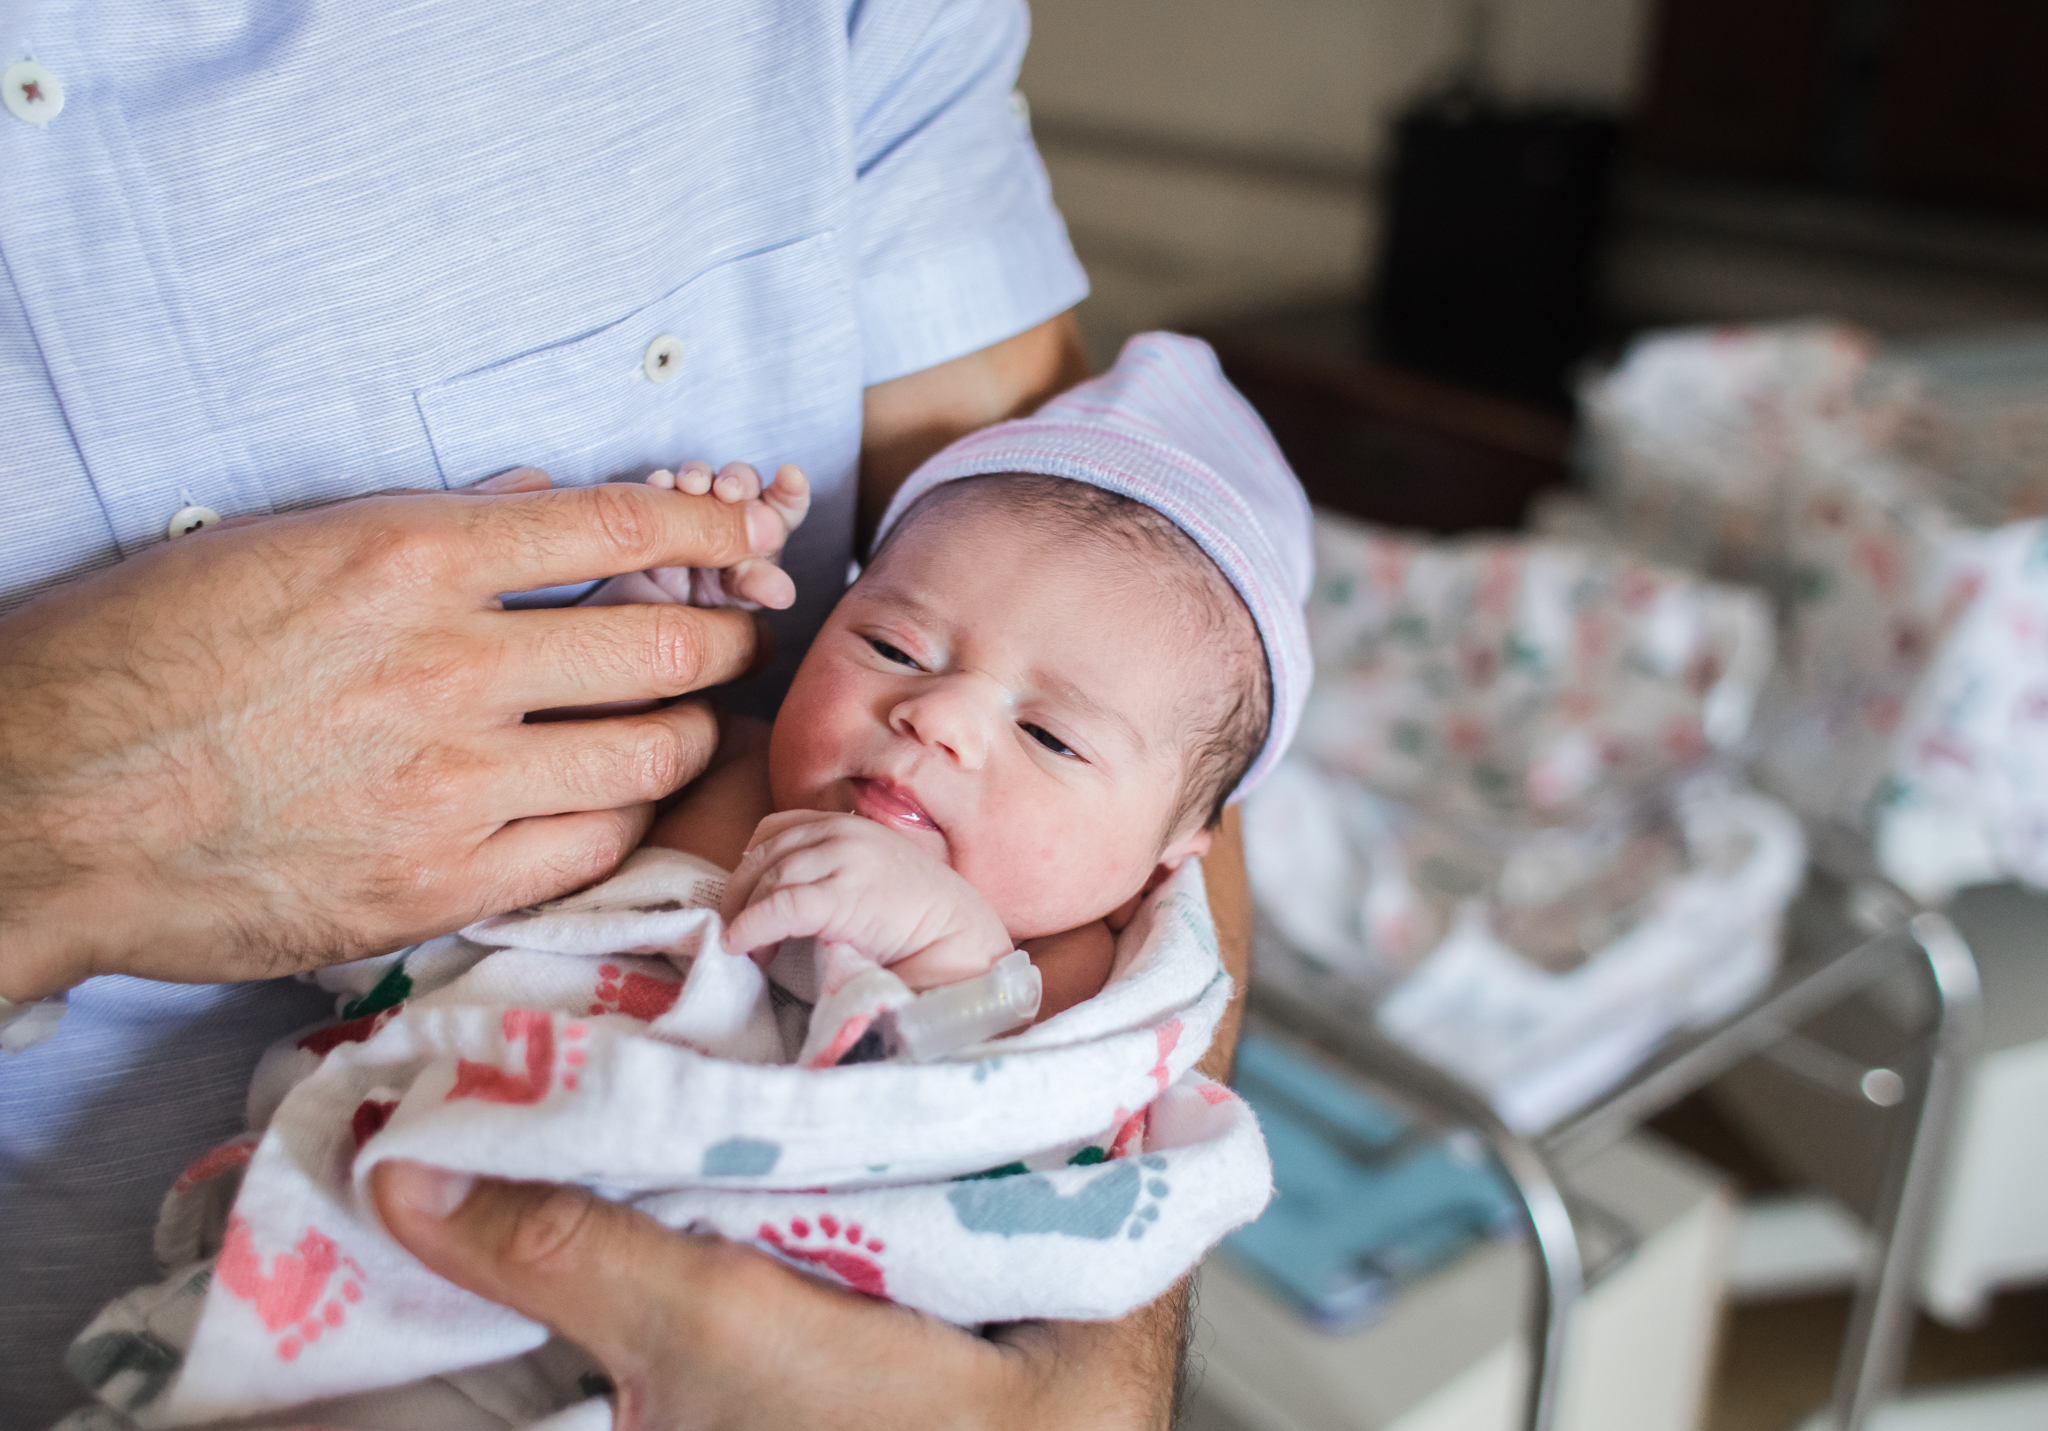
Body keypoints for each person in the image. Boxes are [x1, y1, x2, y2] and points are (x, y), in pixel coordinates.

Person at [0, 4, 1251, 1426]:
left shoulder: (1050, 961)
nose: (941, 718)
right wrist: (673, 608)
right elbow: (501, 848)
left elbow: (987, 1076)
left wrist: (1085, 1381)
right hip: (322, 1247)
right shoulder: (729, 773)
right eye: (891, 636)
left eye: (1049, 738)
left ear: (1169, 860)